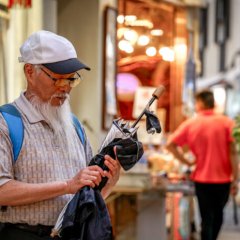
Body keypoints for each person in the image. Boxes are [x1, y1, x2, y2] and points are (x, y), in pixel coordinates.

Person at [0, 30, 121, 239]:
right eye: (57, 79)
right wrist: (66, 186)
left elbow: (84, 195)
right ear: (29, 71)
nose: (65, 88)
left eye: (71, 79)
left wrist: (107, 182)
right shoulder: (6, 122)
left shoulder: (75, 126)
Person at [166, 89, 239, 240]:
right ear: (213, 103)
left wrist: (186, 161)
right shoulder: (227, 123)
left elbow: (170, 144)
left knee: (206, 218)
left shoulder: (191, 124)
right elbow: (233, 152)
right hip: (223, 179)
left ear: (200, 103)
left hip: (202, 179)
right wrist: (236, 178)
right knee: (218, 215)